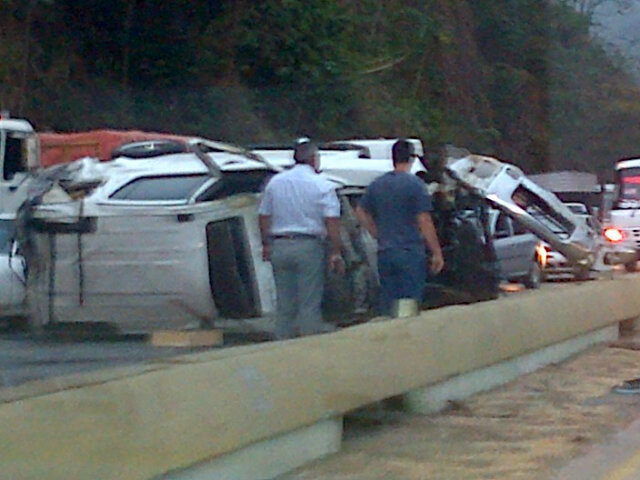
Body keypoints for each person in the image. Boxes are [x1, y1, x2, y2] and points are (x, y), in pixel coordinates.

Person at [258, 141, 344, 339]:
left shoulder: (275, 182)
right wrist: (335, 251)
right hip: (309, 246)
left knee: (284, 303)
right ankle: (307, 345)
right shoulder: (322, 185)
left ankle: (281, 343)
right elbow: (332, 221)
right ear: (314, 159)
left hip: (279, 244)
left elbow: (263, 215)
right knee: (309, 302)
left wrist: (265, 244)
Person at [355, 138, 444, 315]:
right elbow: (424, 220)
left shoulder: (377, 185)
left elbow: (360, 211)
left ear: (393, 158)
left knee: (389, 304)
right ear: (411, 159)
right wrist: (436, 252)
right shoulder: (415, 185)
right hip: (409, 253)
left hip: (385, 253)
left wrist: (376, 233)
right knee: (408, 306)